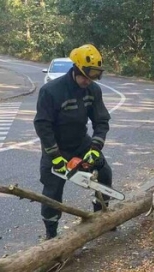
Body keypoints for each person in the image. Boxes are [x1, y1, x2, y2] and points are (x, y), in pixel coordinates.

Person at [34, 44, 113, 240]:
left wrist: (95, 149)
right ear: (76, 70)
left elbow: (101, 121)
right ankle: (51, 234)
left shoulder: (93, 90)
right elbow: (43, 125)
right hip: (56, 146)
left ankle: (100, 216)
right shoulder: (51, 91)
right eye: (85, 77)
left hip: (81, 142)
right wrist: (55, 156)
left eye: (92, 77)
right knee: (52, 190)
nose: (88, 81)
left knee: (104, 172)